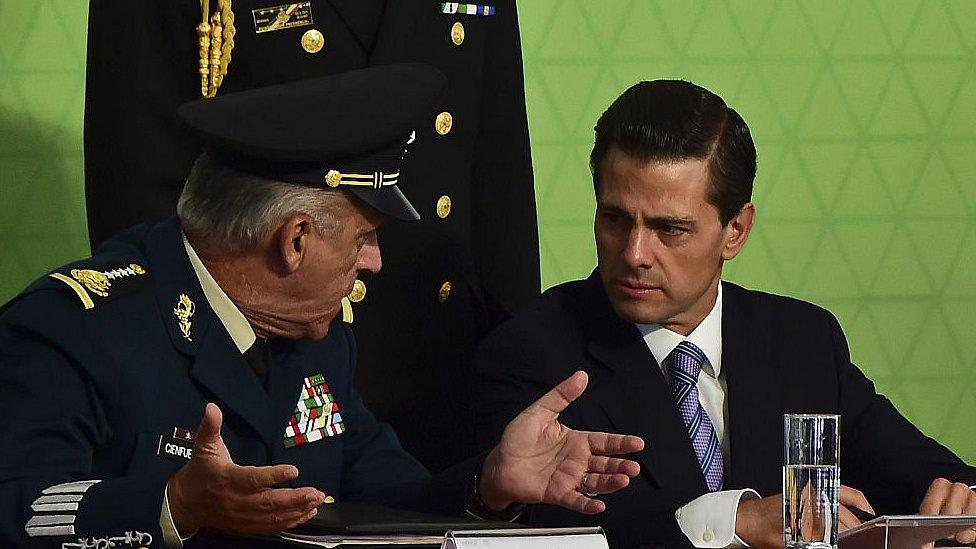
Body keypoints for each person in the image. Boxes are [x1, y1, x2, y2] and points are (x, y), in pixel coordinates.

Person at [0, 65, 644, 549]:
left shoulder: (318, 337)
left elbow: (379, 495)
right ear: (295, 240)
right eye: (365, 239)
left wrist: (487, 485)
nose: (375, 264)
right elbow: (17, 508)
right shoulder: (73, 330)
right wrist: (172, 503)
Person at [469, 79, 976, 548]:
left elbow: (928, 475)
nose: (635, 253)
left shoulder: (803, 341)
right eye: (615, 218)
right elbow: (516, 525)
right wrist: (732, 522)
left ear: (735, 230)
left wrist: (959, 500)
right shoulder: (533, 350)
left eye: (670, 229)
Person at [84, 0, 540, 471]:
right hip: (255, 368)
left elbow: (497, 173)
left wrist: (523, 373)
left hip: (439, 361)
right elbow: (138, 175)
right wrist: (175, 369)